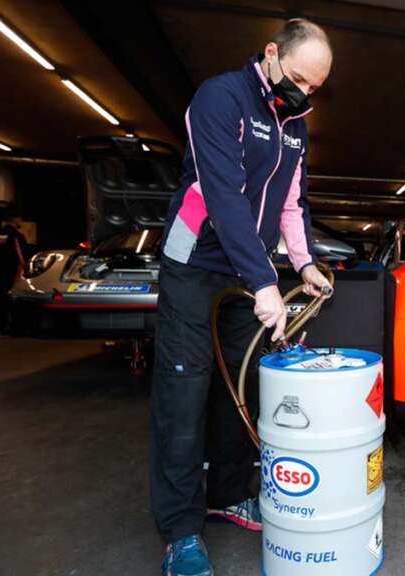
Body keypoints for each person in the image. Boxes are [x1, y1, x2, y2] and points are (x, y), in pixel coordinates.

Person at [150, 19, 333, 576]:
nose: (303, 92)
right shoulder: (220, 98)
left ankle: (227, 495)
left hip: (246, 271)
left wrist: (303, 263)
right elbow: (224, 195)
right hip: (195, 266)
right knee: (183, 395)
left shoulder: (295, 124)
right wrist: (264, 282)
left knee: (240, 385)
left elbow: (290, 204)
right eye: (298, 78)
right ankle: (181, 531)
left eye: (315, 88)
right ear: (272, 53)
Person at [0, 213, 27, 337]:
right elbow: (21, 257)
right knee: (9, 301)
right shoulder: (16, 235)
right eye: (20, 218)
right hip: (12, 273)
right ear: (15, 219)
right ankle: (9, 328)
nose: (21, 221)